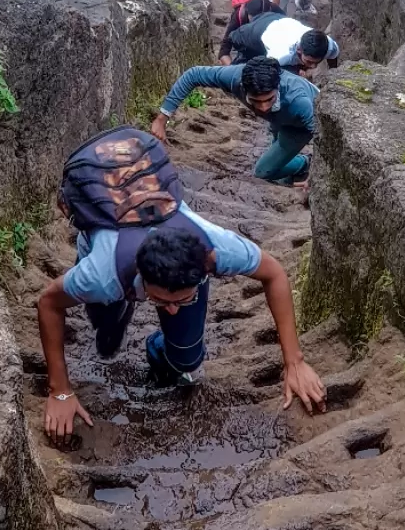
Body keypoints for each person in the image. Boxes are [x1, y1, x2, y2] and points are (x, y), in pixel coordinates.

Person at [38, 128, 326, 436]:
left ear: (206, 268)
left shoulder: (215, 248)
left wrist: (294, 362)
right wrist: (60, 391)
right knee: (105, 330)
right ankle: (119, 309)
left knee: (187, 362)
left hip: (146, 248)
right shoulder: (102, 272)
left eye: (183, 299)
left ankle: (156, 346)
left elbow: (274, 273)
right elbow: (48, 303)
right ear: (141, 276)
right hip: (107, 234)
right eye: (162, 302)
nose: (171, 309)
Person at [153, 56, 317, 186]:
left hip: (301, 126)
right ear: (243, 88)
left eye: (269, 99)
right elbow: (193, 74)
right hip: (279, 120)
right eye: (256, 101)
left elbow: (325, 139)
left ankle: (304, 164)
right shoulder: (234, 77)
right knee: (275, 150)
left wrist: (316, 176)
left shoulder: (300, 102)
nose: (263, 107)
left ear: (278, 87)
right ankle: (286, 162)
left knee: (263, 172)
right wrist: (162, 119)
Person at [224, 10, 339, 71]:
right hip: (258, 33)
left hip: (281, 21)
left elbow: (334, 57)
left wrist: (333, 74)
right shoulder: (281, 55)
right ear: (299, 50)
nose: (313, 67)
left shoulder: (328, 45)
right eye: (309, 62)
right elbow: (267, 72)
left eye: (317, 62)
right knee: (236, 40)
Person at [217, 0, 282, 61]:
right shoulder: (238, 16)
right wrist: (234, 70)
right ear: (247, 15)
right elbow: (224, 51)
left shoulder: (274, 10)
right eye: (256, 22)